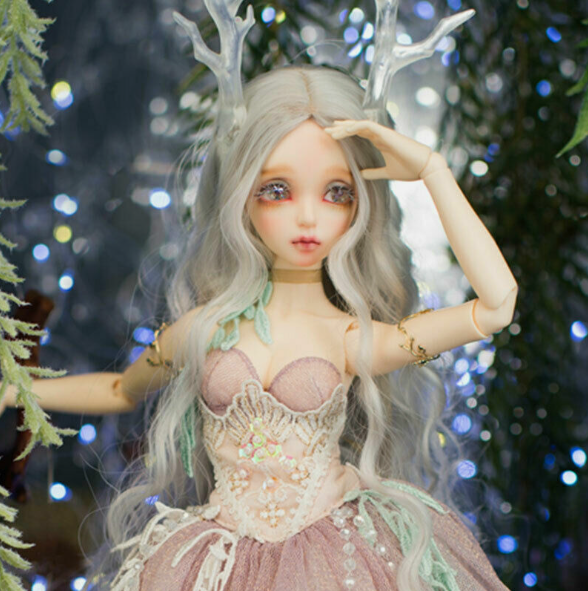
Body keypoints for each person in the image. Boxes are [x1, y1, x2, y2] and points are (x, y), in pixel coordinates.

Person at [0, 6, 518, 591]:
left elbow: (497, 306)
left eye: (336, 192)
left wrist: (432, 170)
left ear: (360, 204)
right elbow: (121, 390)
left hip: (332, 559)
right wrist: (18, 390)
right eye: (277, 190)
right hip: (214, 559)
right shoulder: (205, 327)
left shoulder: (351, 338)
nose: (307, 217)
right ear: (242, 196)